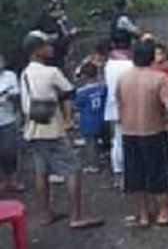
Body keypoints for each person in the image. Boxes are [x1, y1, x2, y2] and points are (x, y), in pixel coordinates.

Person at [20, 30, 103, 229]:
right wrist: (68, 118)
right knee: (72, 169)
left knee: (42, 172)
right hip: (52, 129)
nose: (50, 47)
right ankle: (76, 216)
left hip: (32, 129)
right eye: (46, 45)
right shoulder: (52, 72)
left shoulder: (24, 73)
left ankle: (45, 214)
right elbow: (69, 92)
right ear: (37, 50)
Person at [117, 39, 168, 227]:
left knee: (135, 173)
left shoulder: (123, 78)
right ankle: (163, 211)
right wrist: (167, 119)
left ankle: (142, 213)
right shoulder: (159, 78)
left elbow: (119, 103)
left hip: (129, 131)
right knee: (158, 172)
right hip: (153, 130)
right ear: (152, 57)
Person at [104, 29, 134, 184]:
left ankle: (118, 173)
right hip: (132, 105)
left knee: (118, 139)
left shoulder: (109, 63)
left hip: (114, 105)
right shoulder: (131, 63)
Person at [73, 62, 108, 174]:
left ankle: (94, 165)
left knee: (91, 144)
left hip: (88, 120)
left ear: (84, 76)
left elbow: (77, 105)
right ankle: (105, 157)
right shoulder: (103, 87)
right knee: (104, 139)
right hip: (102, 118)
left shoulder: (81, 92)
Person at [0, 54, 23, 193]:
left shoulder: (10, 75)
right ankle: (2, 181)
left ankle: (13, 179)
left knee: (10, 151)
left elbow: (17, 91)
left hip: (8, 118)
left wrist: (9, 96)